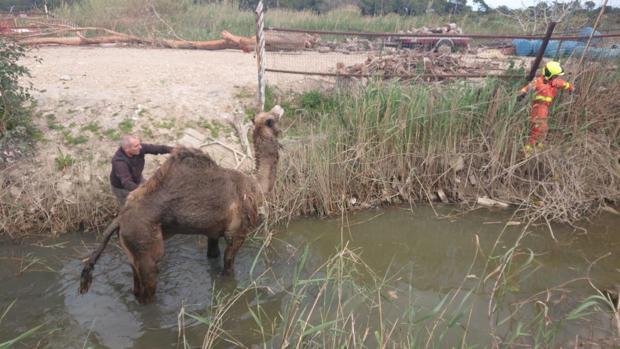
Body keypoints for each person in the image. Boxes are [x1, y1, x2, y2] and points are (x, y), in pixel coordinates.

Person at [517, 61, 574, 157]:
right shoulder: (537, 82)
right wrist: (521, 94)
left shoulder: (555, 82)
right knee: (538, 129)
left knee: (543, 130)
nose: (557, 77)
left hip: (545, 108)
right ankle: (527, 152)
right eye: (556, 75)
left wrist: (571, 88)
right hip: (538, 107)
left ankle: (538, 150)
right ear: (550, 74)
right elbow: (526, 88)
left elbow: (564, 84)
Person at [110, 135, 173, 207]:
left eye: (139, 144)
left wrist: (173, 150)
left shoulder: (138, 148)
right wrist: (143, 191)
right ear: (127, 149)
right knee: (131, 208)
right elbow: (127, 182)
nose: (140, 147)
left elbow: (156, 148)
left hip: (138, 178)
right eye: (136, 146)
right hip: (123, 189)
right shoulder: (119, 162)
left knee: (150, 195)